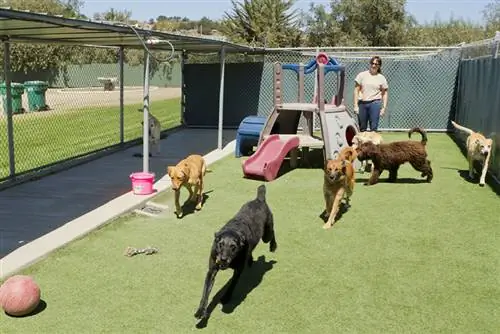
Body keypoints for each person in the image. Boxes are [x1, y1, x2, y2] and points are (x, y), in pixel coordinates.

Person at [353, 56, 388, 132]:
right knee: (362, 128)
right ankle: (363, 143)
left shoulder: (381, 78)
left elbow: (384, 93)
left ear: (379, 66)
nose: (374, 65)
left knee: (374, 128)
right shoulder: (362, 75)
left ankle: (373, 144)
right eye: (372, 63)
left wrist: (383, 108)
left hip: (375, 103)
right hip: (362, 103)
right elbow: (356, 90)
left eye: (376, 64)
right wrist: (355, 106)